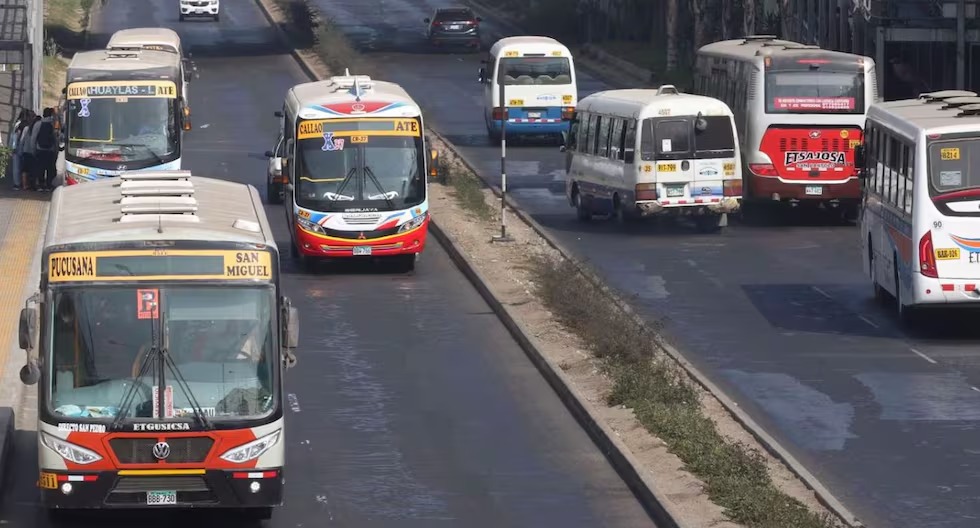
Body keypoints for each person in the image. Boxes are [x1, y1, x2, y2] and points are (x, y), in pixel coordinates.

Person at [32, 108, 59, 192]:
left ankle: (40, 185)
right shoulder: (53, 124)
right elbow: (56, 139)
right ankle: (48, 185)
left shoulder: (38, 124)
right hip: (50, 151)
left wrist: (33, 150)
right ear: (51, 115)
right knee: (50, 169)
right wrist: (56, 150)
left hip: (40, 150)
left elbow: (33, 138)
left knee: (40, 168)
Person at [8, 109, 30, 190]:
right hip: (24, 149)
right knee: (24, 167)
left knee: (16, 167)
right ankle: (24, 183)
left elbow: (12, 137)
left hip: (15, 148)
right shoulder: (27, 125)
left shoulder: (17, 124)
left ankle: (17, 184)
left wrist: (11, 147)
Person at [19, 113, 38, 191]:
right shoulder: (36, 128)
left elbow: (22, 140)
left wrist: (20, 150)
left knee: (25, 169)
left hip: (25, 151)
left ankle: (24, 185)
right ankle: (33, 185)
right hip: (33, 152)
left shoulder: (26, 128)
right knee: (33, 169)